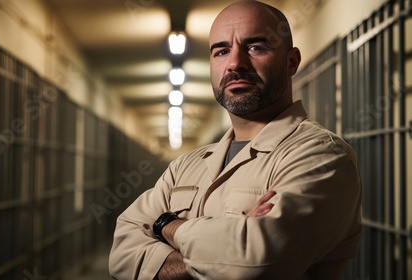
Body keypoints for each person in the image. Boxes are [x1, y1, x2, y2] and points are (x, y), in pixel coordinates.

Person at [109, 0, 362, 279]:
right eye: (221, 51)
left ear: (291, 62)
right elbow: (121, 254)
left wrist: (166, 226)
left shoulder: (321, 156)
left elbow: (252, 262)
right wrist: (220, 251)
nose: (235, 64)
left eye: (256, 47)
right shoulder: (185, 166)